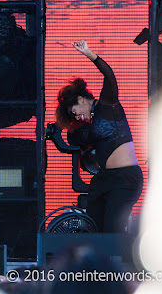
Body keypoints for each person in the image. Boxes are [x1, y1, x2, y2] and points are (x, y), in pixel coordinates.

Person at [55, 40, 143, 233]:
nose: (77, 116)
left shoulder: (107, 106)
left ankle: (118, 262)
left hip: (125, 178)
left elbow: (110, 76)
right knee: (93, 227)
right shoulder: (89, 125)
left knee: (112, 229)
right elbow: (74, 139)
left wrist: (89, 54)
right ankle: (94, 262)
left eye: (74, 111)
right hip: (103, 179)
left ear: (80, 99)